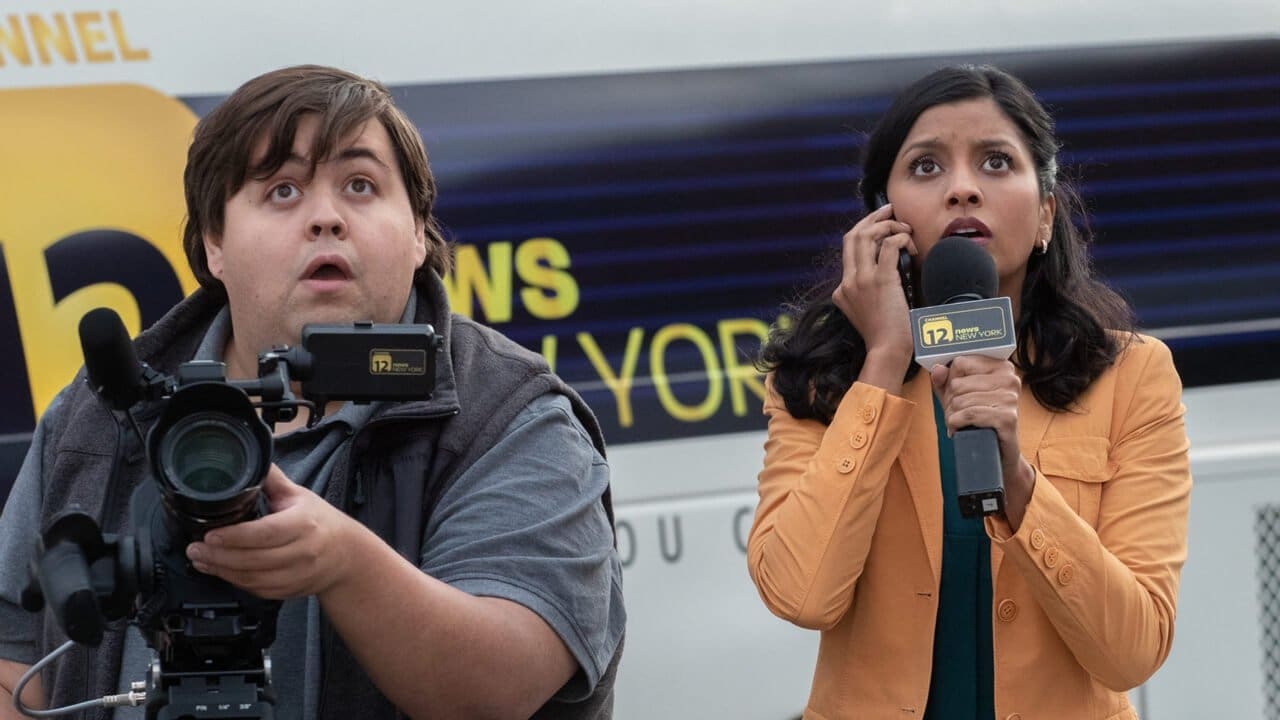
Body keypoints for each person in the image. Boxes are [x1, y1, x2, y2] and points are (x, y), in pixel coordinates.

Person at [0, 65, 625, 720]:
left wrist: (346, 566)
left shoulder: (507, 414)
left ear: (418, 231)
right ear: (215, 242)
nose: (326, 218)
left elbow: (498, 690)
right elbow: (15, 673)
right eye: (282, 190)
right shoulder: (100, 412)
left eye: (360, 185)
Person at [747, 65, 1191, 719]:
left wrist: (1017, 481)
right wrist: (884, 359)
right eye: (926, 166)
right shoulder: (820, 379)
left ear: (1045, 215)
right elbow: (801, 594)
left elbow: (1133, 651)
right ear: (883, 219)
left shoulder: (1132, 375)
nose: (962, 189)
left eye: (995, 161)